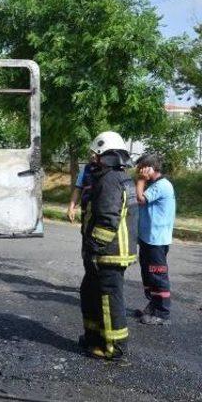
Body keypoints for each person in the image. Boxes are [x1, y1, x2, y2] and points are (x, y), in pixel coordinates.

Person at [79, 131, 138, 360]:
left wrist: (94, 247)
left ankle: (115, 348)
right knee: (90, 293)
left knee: (108, 299)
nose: (92, 159)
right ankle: (94, 338)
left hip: (108, 253)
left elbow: (107, 219)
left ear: (105, 155)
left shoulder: (109, 180)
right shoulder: (117, 177)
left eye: (95, 154)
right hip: (108, 252)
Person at [135, 154, 176, 325]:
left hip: (156, 240)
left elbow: (140, 199)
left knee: (158, 274)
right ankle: (153, 305)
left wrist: (140, 181)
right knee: (148, 274)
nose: (139, 171)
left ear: (150, 167)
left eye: (142, 167)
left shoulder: (161, 185)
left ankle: (162, 313)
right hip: (148, 238)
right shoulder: (155, 184)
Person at [67, 155, 96, 223]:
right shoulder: (85, 169)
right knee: (85, 231)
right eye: (92, 152)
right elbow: (78, 189)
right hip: (86, 210)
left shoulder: (109, 171)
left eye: (96, 153)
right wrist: (71, 207)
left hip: (101, 211)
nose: (93, 155)